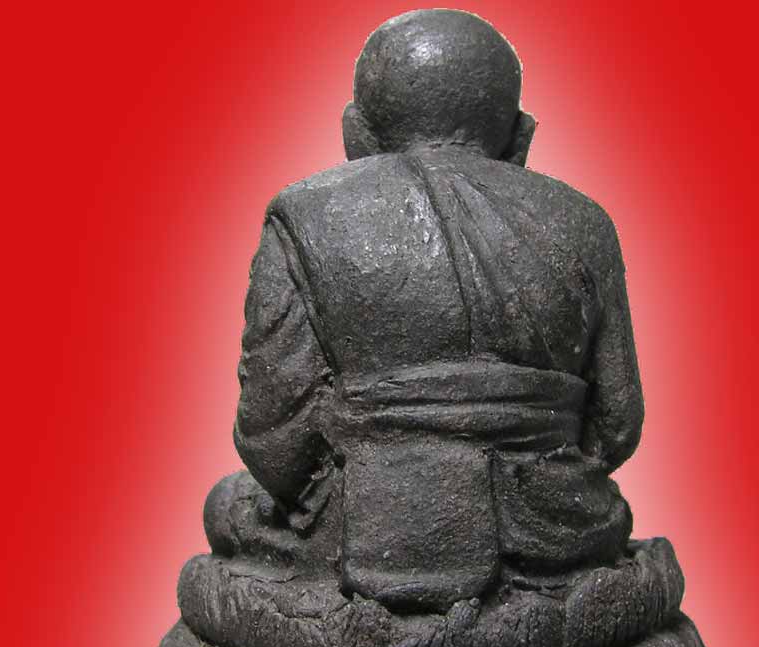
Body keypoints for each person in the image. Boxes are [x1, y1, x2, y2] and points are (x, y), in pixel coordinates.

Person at [205, 9, 643, 614]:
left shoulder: (306, 214)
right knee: (610, 570)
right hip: (551, 523)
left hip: (355, 519)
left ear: (355, 136)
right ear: (521, 138)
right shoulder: (584, 222)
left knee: (228, 508)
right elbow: (617, 425)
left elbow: (272, 436)